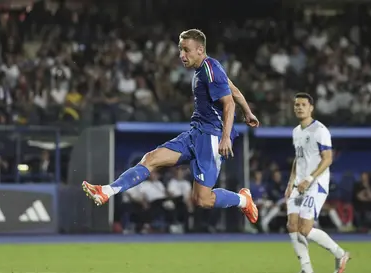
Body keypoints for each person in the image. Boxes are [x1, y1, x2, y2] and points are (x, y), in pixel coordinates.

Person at [82, 29, 259, 224]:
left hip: (212, 137)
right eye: (180, 50)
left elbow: (229, 103)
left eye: (186, 50)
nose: (182, 55)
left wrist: (226, 137)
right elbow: (233, 90)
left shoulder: (211, 70)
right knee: (150, 159)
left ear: (200, 50)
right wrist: (248, 112)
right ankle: (106, 191)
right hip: (196, 133)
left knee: (202, 199)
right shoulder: (206, 69)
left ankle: (243, 200)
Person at [285, 92, 350, 273]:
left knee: (305, 228)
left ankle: (340, 254)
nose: (299, 107)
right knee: (292, 225)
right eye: (296, 104)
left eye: (303, 104)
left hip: (316, 184)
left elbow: (327, 159)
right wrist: (291, 182)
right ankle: (306, 270)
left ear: (311, 108)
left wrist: (310, 179)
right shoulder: (296, 132)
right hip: (298, 185)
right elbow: (298, 159)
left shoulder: (320, 130)